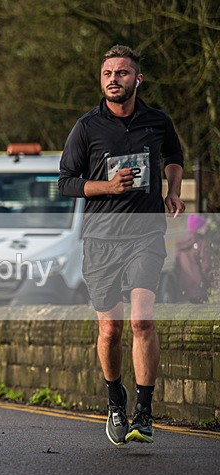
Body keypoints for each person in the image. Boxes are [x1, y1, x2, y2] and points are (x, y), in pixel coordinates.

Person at [58, 45, 185, 445]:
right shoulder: (87, 127)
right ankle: (116, 399)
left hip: (145, 235)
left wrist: (173, 190)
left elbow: (174, 154)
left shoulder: (157, 121)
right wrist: (108, 187)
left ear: (137, 79)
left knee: (142, 321)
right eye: (108, 73)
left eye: (122, 73)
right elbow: (66, 182)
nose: (114, 79)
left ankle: (144, 413)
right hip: (100, 240)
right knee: (110, 329)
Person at [175, 214, 213, 303]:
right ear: (198, 228)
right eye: (203, 226)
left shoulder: (181, 243)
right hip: (199, 287)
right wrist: (211, 282)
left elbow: (177, 264)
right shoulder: (201, 243)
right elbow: (206, 266)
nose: (206, 228)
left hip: (184, 287)